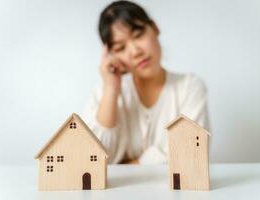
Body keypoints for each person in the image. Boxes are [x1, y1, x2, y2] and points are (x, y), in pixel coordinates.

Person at [82, 0, 210, 164]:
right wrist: (112, 88)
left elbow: (191, 156)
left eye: (138, 35)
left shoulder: (190, 87)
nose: (135, 52)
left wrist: (129, 164)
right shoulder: (106, 92)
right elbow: (91, 161)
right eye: (120, 48)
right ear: (110, 55)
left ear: (155, 28)